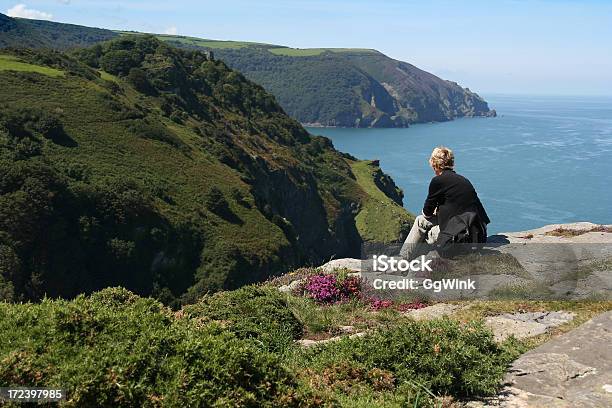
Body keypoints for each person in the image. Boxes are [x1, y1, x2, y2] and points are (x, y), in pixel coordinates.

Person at [399, 146, 490, 260]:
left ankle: (403, 260)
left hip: (456, 239)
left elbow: (427, 213)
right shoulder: (464, 181)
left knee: (420, 223)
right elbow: (483, 217)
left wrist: (438, 210)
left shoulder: (438, 181)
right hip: (476, 237)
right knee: (424, 223)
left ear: (434, 164)